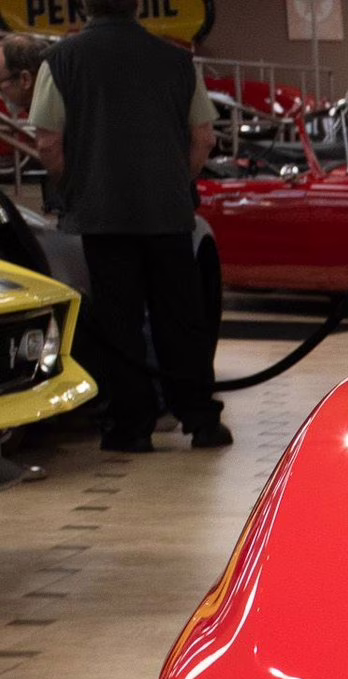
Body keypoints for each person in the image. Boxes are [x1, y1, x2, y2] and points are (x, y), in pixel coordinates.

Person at [29, 0, 230, 452]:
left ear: (84, 5)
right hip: (169, 213)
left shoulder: (60, 61)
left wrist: (76, 186)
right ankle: (200, 419)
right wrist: (176, 181)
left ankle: (130, 426)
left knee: (120, 323)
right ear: (138, 5)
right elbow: (202, 136)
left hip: (102, 216)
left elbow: (48, 142)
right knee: (181, 318)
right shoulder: (178, 59)